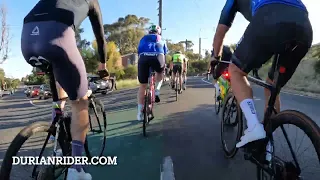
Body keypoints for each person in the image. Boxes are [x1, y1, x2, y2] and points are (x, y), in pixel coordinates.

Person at [21, 0, 109, 179]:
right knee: (80, 102)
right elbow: (100, 37)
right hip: (57, 35)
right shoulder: (92, 2)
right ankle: (77, 169)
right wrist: (103, 65)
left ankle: (57, 131)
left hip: (27, 38)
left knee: (58, 76)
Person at [212, 0, 312, 149]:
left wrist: (215, 57)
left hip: (269, 19)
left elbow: (220, 33)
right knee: (272, 86)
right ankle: (268, 144)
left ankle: (254, 127)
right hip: (304, 26)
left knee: (236, 70)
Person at [136, 25, 167, 121]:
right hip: (158, 57)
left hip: (144, 58)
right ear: (159, 32)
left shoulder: (143, 39)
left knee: (142, 86)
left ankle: (139, 113)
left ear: (149, 32)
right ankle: (157, 91)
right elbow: (164, 53)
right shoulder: (161, 39)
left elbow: (139, 52)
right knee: (160, 72)